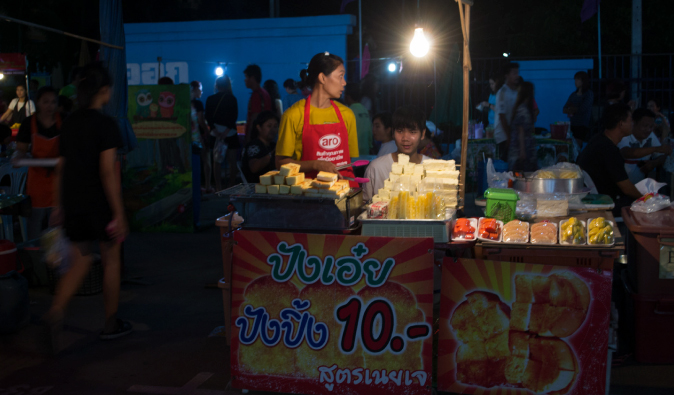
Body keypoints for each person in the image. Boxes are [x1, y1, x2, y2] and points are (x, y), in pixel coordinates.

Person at [48, 62, 130, 347]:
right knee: (110, 261)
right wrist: (119, 213)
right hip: (100, 203)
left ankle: (56, 311)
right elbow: (108, 172)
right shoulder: (106, 124)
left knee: (79, 262)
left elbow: (61, 167)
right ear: (104, 91)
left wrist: (59, 206)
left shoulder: (69, 122)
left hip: (73, 201)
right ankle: (110, 323)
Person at [276, 52, 359, 186]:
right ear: (322, 78)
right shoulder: (293, 115)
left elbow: (350, 160)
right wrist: (315, 164)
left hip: (344, 192)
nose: (344, 82)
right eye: (340, 76)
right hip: (310, 193)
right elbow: (280, 164)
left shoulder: (347, 114)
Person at [577, 104, 643, 216]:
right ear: (621, 124)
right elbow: (626, 188)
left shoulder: (599, 139)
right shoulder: (608, 149)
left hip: (597, 196)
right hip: (605, 201)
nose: (633, 124)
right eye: (631, 120)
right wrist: (646, 198)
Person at [15, 86, 62, 240]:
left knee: (57, 225)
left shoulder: (64, 121)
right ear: (38, 103)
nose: (50, 106)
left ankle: (56, 260)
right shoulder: (29, 123)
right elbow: (21, 149)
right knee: (35, 223)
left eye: (53, 102)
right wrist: (17, 157)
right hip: (37, 181)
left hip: (59, 179)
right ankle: (34, 256)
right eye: (45, 102)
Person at [363, 106, 431, 201]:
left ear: (423, 134)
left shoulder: (431, 168)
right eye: (400, 131)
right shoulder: (376, 168)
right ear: (393, 133)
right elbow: (366, 205)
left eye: (412, 132)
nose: (405, 138)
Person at [617, 108, 672, 184]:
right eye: (645, 126)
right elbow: (627, 153)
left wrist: (654, 163)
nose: (648, 129)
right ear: (634, 123)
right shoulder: (625, 136)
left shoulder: (650, 136)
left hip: (640, 187)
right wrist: (655, 149)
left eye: (651, 127)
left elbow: (662, 155)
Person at [205, 75, 238, 190]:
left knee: (216, 161)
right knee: (232, 162)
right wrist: (227, 130)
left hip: (215, 134)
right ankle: (232, 186)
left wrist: (215, 130)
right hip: (231, 133)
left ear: (217, 86)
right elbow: (234, 116)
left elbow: (208, 117)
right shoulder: (232, 98)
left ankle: (218, 187)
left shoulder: (210, 99)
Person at [242, 111, 279, 184]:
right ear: (259, 128)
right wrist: (273, 153)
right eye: (269, 126)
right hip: (256, 186)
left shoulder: (272, 145)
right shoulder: (253, 146)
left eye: (275, 126)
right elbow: (254, 168)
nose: (273, 130)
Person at [508, 81, 538, 172]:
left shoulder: (522, 108)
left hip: (523, 149)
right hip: (522, 150)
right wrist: (522, 151)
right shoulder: (523, 110)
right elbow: (521, 131)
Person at [494, 62, 520, 162]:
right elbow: (502, 116)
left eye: (517, 73)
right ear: (507, 75)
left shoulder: (514, 92)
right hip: (503, 135)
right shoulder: (502, 92)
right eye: (514, 73)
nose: (517, 76)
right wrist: (509, 136)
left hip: (511, 134)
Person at [190, 81, 212, 194]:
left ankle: (195, 187)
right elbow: (201, 121)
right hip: (199, 136)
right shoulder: (198, 104)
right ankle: (207, 186)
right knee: (206, 160)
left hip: (189, 138)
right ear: (195, 89)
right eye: (200, 89)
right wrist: (207, 133)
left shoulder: (185, 103)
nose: (202, 92)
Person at [563, 71, 594, 145]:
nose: (575, 82)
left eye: (577, 79)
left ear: (583, 81)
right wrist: (571, 110)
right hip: (573, 124)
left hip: (582, 125)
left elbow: (582, 109)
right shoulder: (573, 95)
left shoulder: (588, 94)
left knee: (578, 145)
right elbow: (564, 109)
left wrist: (571, 109)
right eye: (575, 80)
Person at [344, 84, 372, 156]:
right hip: (365, 151)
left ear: (348, 96)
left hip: (352, 152)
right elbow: (370, 131)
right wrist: (371, 146)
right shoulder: (365, 110)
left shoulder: (348, 111)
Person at [244, 64, 272, 137]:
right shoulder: (265, 93)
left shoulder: (256, 95)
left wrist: (248, 137)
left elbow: (254, 117)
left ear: (252, 78)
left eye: (246, 77)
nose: (245, 80)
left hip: (256, 136)